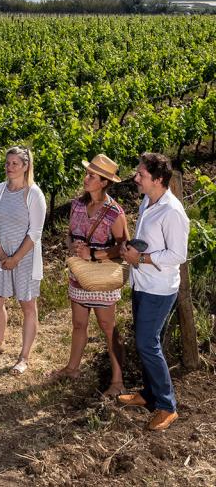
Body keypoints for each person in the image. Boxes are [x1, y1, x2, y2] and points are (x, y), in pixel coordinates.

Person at [118, 152, 189, 431]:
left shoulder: (172, 211)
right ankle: (149, 395)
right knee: (147, 340)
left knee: (147, 343)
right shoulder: (149, 200)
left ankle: (167, 406)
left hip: (159, 289)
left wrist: (142, 259)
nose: (136, 178)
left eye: (141, 175)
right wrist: (131, 251)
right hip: (142, 283)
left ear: (158, 180)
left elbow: (178, 255)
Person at [51, 154, 129, 396]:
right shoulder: (76, 205)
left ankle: (117, 382)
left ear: (104, 182)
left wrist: (94, 255)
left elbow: (124, 247)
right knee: (78, 324)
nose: (86, 178)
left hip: (102, 280)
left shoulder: (114, 213)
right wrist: (72, 246)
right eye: (87, 174)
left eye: (92, 176)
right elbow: (69, 235)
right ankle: (72, 368)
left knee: (108, 327)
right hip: (79, 276)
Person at [0, 145, 47, 375]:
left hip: (25, 257)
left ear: (25, 166)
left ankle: (24, 356)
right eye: (7, 163)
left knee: (27, 304)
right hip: (1, 254)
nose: (9, 167)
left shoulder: (33, 193)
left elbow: (35, 231)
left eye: (14, 164)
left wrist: (16, 257)